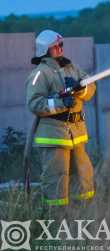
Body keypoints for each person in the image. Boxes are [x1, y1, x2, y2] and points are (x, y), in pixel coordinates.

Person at [25, 29, 96, 210]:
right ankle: (57, 223)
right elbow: (34, 103)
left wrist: (81, 89)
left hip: (77, 134)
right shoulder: (40, 74)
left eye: (60, 45)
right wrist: (60, 102)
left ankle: (84, 216)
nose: (59, 49)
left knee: (83, 177)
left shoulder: (72, 67)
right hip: (54, 137)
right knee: (56, 182)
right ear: (45, 51)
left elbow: (91, 87)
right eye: (55, 47)